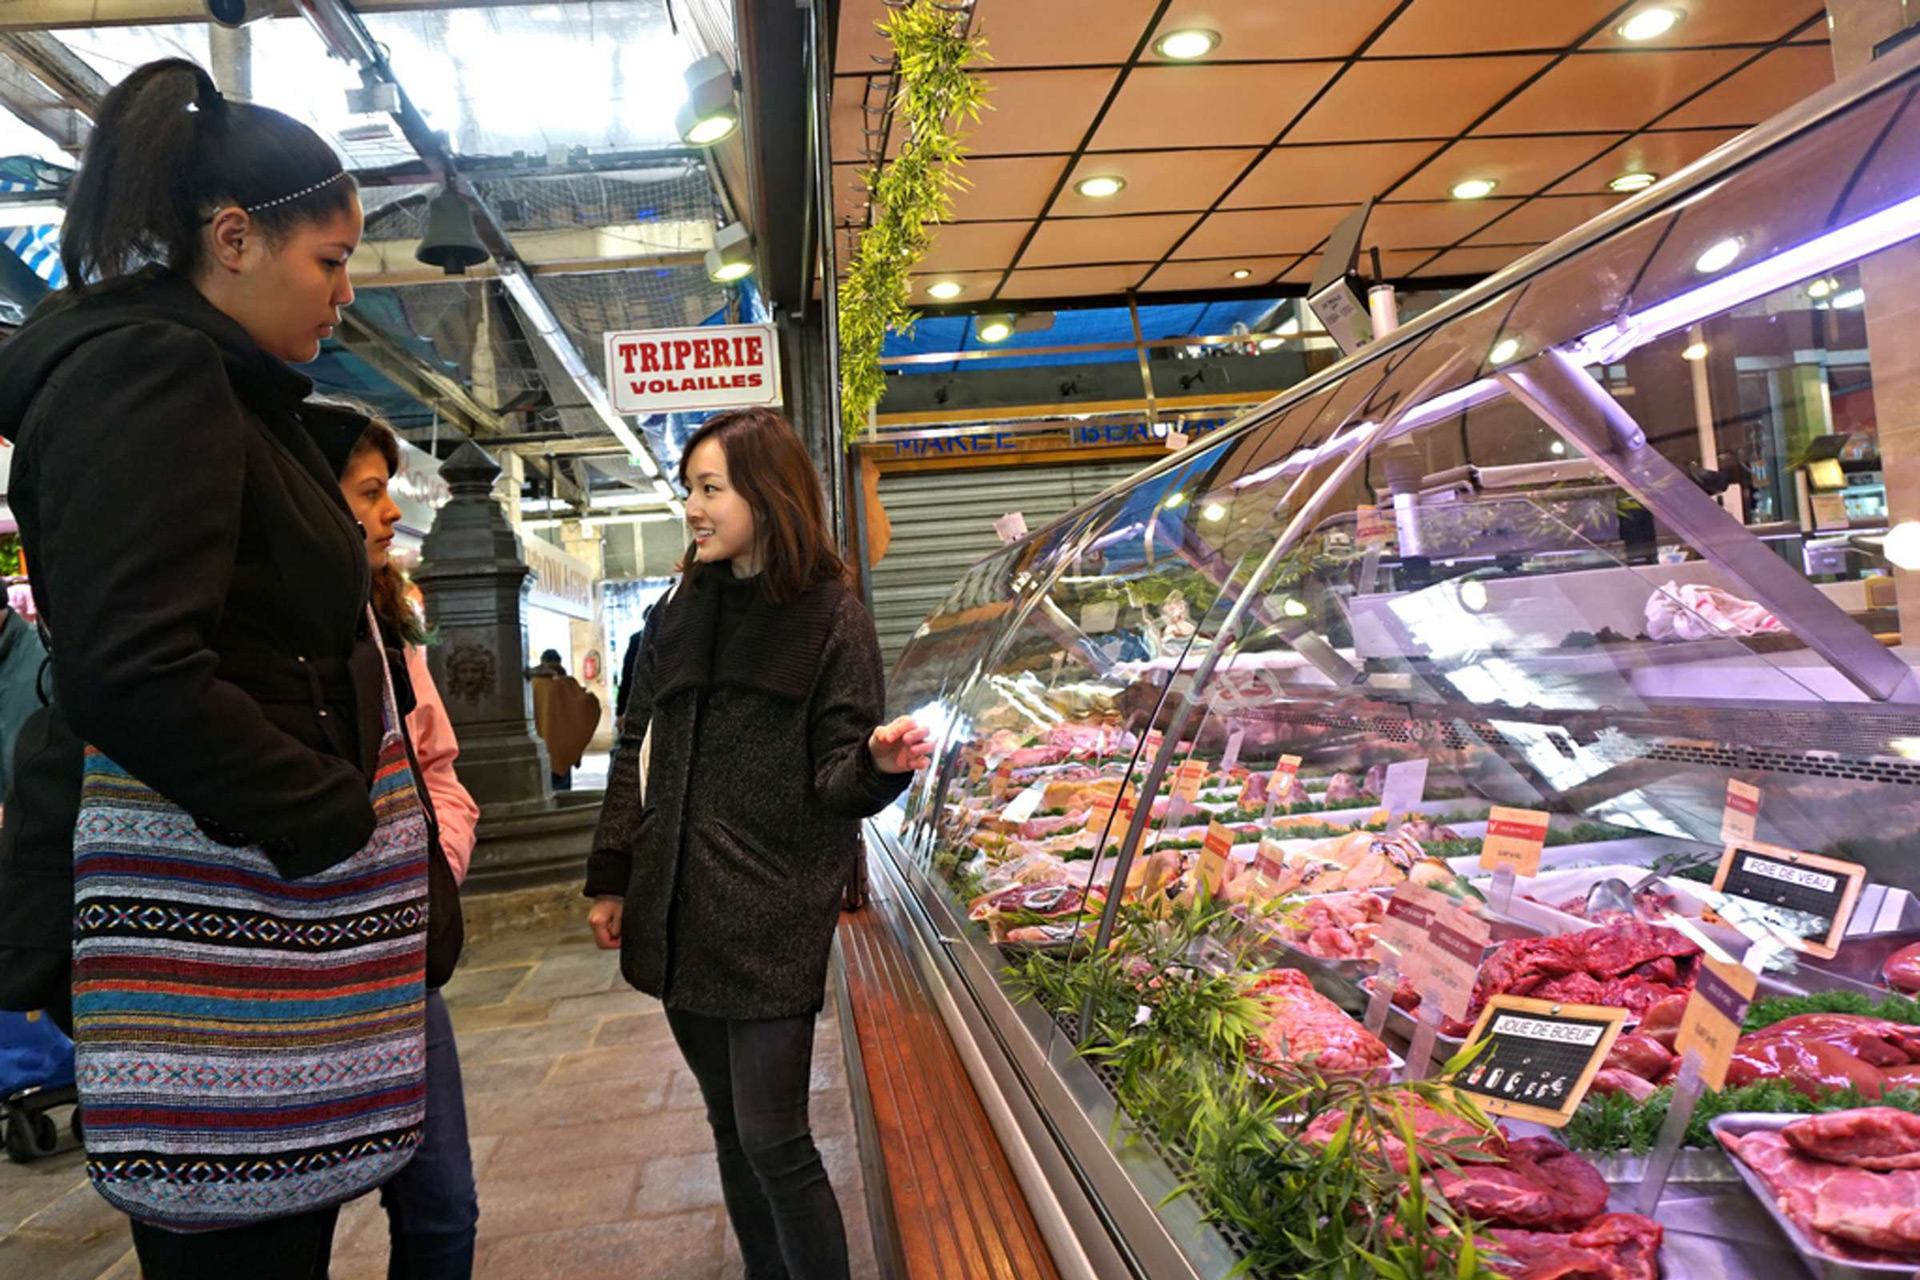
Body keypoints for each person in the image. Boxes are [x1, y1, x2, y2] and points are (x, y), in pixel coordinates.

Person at [0, 58, 409, 1276]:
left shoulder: (202, 378)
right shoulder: (153, 377)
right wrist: (326, 814)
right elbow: (132, 667)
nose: (343, 294)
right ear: (234, 238)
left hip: (250, 918)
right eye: (328, 261)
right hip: (225, 919)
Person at [584, 406, 932, 1280]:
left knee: (777, 1138)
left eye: (711, 489)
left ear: (767, 495)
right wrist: (613, 875)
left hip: (772, 909)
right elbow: (634, 749)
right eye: (689, 490)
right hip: (676, 903)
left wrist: (879, 763)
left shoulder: (830, 616)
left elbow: (833, 784)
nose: (693, 509)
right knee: (729, 1131)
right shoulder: (675, 609)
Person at [327, 415, 481, 1280]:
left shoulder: (394, 621)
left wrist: (430, 874)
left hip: (405, 966)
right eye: (369, 493)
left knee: (443, 1208)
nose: (390, 514)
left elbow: (442, 771)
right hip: (299, 976)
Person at [530, 647, 598, 791]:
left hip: (536, 750)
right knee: (562, 792)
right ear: (559, 662)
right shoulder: (567, 685)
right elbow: (589, 705)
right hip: (562, 751)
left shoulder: (532, 685)